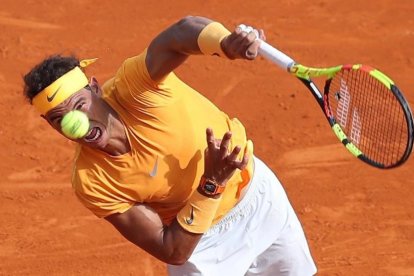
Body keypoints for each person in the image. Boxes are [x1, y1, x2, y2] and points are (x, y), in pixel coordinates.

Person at [23, 16, 317, 275]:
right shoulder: (93, 181)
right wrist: (211, 184)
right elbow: (172, 250)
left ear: (96, 88)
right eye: (58, 120)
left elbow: (180, 33)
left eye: (79, 106)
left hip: (259, 197)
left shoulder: (136, 87)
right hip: (204, 246)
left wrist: (225, 42)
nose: (76, 124)